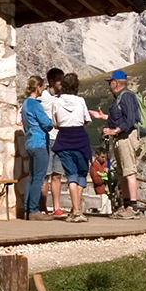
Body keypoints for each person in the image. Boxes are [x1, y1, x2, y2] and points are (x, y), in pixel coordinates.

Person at [92, 70, 142, 219]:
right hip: (120, 138)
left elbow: (130, 120)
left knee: (129, 171)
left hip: (126, 137)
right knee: (122, 173)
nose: (109, 85)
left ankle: (133, 207)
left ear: (116, 83)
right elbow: (121, 117)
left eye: (110, 82)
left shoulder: (126, 96)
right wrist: (104, 117)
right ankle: (126, 205)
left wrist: (114, 131)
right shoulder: (121, 97)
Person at [49, 73, 92, 223]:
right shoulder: (80, 101)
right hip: (80, 137)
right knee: (81, 173)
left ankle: (76, 210)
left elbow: (55, 123)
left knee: (71, 174)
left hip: (64, 138)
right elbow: (87, 119)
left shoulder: (56, 102)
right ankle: (77, 209)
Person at [18, 77, 55, 220]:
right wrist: (53, 123)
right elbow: (46, 122)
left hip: (29, 142)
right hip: (39, 142)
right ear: (38, 87)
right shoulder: (35, 104)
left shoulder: (25, 103)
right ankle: (34, 210)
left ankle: (28, 209)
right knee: (39, 178)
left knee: (32, 177)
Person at [40, 67, 65, 218]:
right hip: (46, 138)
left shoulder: (63, 97)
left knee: (57, 175)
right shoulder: (42, 96)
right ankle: (43, 207)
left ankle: (57, 207)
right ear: (51, 82)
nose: (61, 84)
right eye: (58, 81)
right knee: (45, 175)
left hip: (60, 139)